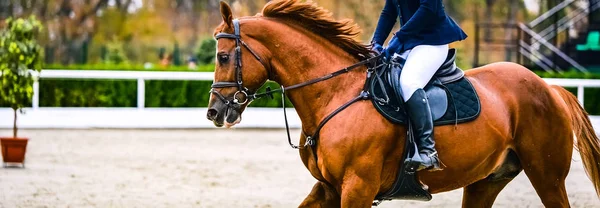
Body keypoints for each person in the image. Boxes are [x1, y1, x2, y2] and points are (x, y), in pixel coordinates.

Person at [371, 0, 467, 171]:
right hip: (409, 42)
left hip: (432, 42)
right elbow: (388, 12)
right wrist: (375, 43)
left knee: (409, 83)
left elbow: (429, 9)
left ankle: (428, 151)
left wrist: (399, 38)